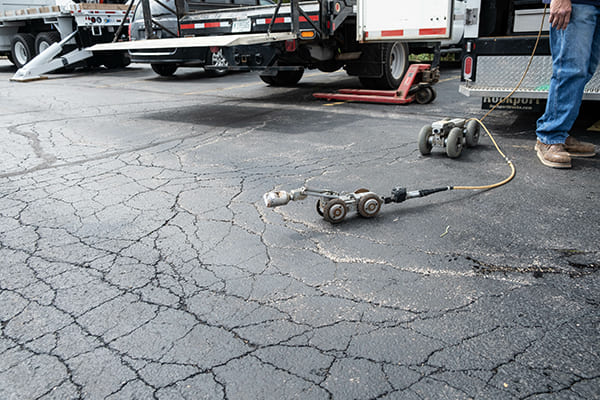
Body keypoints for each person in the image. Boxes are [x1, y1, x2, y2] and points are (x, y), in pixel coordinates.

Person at [535, 0, 599, 168]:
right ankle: (549, 137)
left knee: (586, 69)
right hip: (579, 3)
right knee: (571, 69)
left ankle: (560, 133)